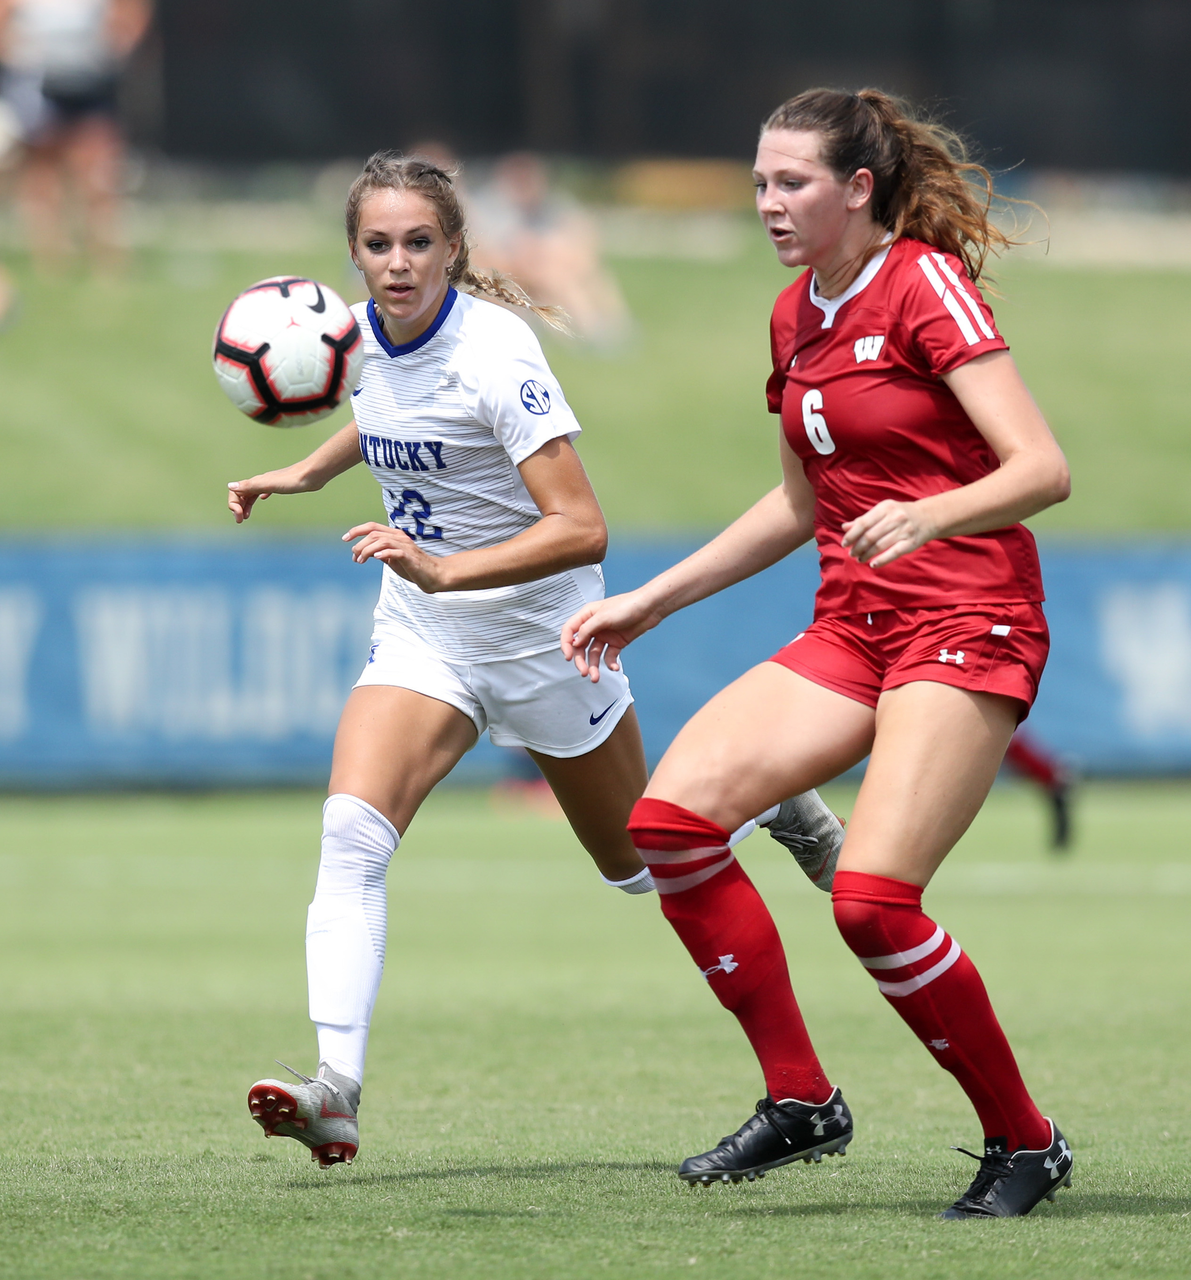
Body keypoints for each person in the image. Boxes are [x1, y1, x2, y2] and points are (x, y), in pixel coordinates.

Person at [225, 152, 843, 1170]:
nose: (396, 262)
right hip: (427, 636)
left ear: (456, 248)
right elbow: (384, 406)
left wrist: (442, 565)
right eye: (377, 244)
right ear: (352, 253)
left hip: (545, 639)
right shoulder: (348, 332)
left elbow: (584, 527)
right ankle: (335, 1087)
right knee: (350, 835)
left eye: (418, 242)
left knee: (641, 862)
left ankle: (767, 796)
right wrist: (305, 466)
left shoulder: (495, 350)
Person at [563, 89, 1075, 1220]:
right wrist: (654, 599)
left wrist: (934, 516)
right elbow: (800, 504)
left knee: (873, 901)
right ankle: (801, 1099)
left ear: (859, 189)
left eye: (791, 182)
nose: (768, 203)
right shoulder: (794, 313)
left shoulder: (924, 283)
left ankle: (1025, 1141)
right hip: (857, 621)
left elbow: (1041, 467)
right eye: (757, 181)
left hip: (968, 615)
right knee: (671, 823)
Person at [0, 0, 150, 274]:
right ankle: (52, 259)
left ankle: (107, 256)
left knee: (99, 173)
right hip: (40, 84)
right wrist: (17, 54)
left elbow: (131, 14)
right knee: (43, 172)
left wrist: (116, 47)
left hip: (89, 83)